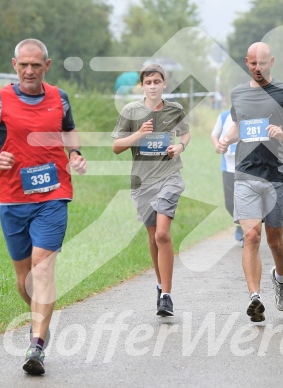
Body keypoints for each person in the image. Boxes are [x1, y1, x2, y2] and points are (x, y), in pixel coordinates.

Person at [0, 38, 87, 375]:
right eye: (23, 64)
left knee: (42, 267)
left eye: (36, 65)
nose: (29, 71)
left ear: (46, 66)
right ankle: (41, 321)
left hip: (53, 194)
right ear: (14, 64)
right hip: (13, 198)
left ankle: (36, 345)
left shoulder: (59, 98)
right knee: (24, 280)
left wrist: (75, 153)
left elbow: (69, 129)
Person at [217, 42, 283, 322]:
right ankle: (254, 297)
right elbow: (238, 125)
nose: (258, 69)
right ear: (247, 62)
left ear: (272, 61)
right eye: (253, 64)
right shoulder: (239, 93)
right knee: (251, 236)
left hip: (278, 175)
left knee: (275, 241)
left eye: (263, 63)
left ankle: (280, 278)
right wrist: (226, 139)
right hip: (245, 173)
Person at [112, 63, 190, 317]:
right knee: (152, 234)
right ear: (142, 86)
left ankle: (166, 296)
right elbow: (116, 147)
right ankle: (160, 285)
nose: (153, 86)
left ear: (164, 84)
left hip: (169, 177)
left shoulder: (174, 109)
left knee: (163, 234)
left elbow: (185, 134)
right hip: (142, 182)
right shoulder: (131, 111)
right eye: (148, 82)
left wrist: (180, 147)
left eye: (157, 81)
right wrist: (138, 136)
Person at [211, 109, 243, 245]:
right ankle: (241, 225)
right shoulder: (224, 116)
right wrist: (218, 146)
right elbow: (214, 135)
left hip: (248, 168)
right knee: (229, 203)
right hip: (228, 167)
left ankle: (247, 231)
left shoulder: (251, 114)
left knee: (245, 201)